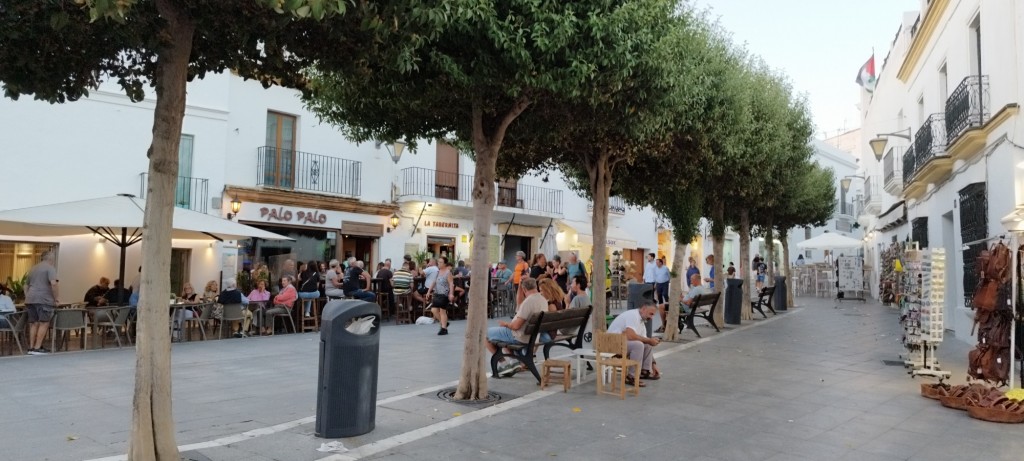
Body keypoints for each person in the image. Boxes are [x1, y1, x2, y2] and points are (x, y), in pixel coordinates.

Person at [487, 277, 550, 376]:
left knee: (485, 334)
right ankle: (514, 362)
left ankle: (504, 364)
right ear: (536, 286)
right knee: (503, 337)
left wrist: (506, 324)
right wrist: (521, 286)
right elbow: (520, 303)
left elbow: (516, 326)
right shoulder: (542, 300)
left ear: (525, 289)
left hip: (520, 336)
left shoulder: (528, 302)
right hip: (533, 337)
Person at [607, 301, 660, 385]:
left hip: (622, 343)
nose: (652, 317)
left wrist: (653, 364)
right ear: (643, 309)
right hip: (612, 344)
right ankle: (631, 377)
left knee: (647, 345)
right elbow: (630, 335)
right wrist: (649, 340)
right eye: (651, 314)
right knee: (638, 345)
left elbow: (645, 340)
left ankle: (645, 371)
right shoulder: (633, 315)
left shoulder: (641, 320)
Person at [25, 251, 59, 355]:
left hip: (30, 299)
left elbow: (25, 285)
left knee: (34, 323)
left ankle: (31, 348)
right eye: (53, 258)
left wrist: (27, 296)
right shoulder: (50, 268)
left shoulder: (33, 268)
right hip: (44, 299)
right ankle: (37, 348)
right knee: (44, 322)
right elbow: (53, 284)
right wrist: (56, 298)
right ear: (50, 259)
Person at [425, 256, 455, 335]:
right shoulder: (438, 272)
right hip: (437, 293)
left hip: (444, 293)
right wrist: (429, 291)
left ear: (445, 264)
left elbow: (451, 284)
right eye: (438, 262)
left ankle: (444, 328)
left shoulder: (448, 272)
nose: (439, 263)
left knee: (442, 311)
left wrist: (451, 294)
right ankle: (444, 323)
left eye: (441, 262)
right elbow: (434, 282)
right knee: (433, 310)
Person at [653, 258, 671, 332]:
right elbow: (655, 276)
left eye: (658, 262)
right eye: (656, 263)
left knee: (665, 294)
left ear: (661, 263)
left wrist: (669, 281)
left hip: (665, 283)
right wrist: (655, 283)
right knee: (659, 295)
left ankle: (666, 305)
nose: (656, 264)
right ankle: (661, 306)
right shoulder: (655, 269)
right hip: (658, 283)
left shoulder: (665, 268)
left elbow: (669, 275)